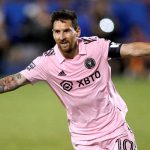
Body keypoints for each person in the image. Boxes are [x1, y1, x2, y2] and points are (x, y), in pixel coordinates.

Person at [0, 9, 150, 150]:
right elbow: (15, 80)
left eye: (66, 31)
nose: (61, 37)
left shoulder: (96, 47)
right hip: (83, 138)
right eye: (57, 32)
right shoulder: (46, 62)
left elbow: (131, 49)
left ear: (77, 31)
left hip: (115, 129)